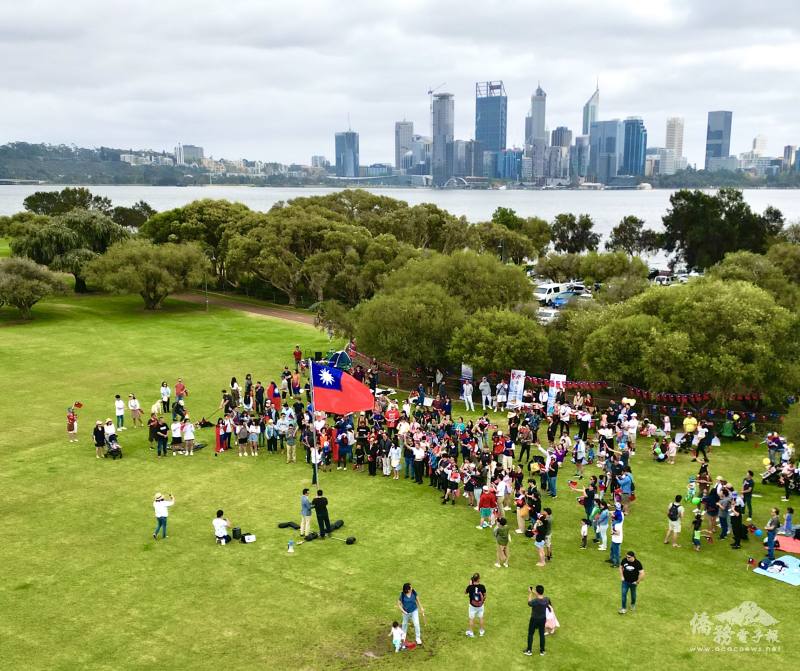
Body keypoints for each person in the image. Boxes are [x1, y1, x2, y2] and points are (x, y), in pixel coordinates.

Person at [524, 585, 550, 657]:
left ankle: (529, 650)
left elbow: (529, 603)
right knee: (542, 634)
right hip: (542, 619)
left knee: (530, 634)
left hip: (534, 619)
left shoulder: (535, 601)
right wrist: (534, 592)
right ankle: (542, 651)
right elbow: (540, 596)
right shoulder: (546, 599)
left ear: (537, 592)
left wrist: (530, 593)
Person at [465, 573, 486, 638]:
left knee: (471, 619)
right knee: (481, 617)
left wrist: (469, 585)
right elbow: (485, 595)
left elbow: (465, 592)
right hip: (480, 606)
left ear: (473, 579)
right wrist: (482, 601)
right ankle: (481, 632)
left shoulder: (470, 587)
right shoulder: (482, 586)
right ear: (478, 579)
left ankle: (471, 633)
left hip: (472, 606)